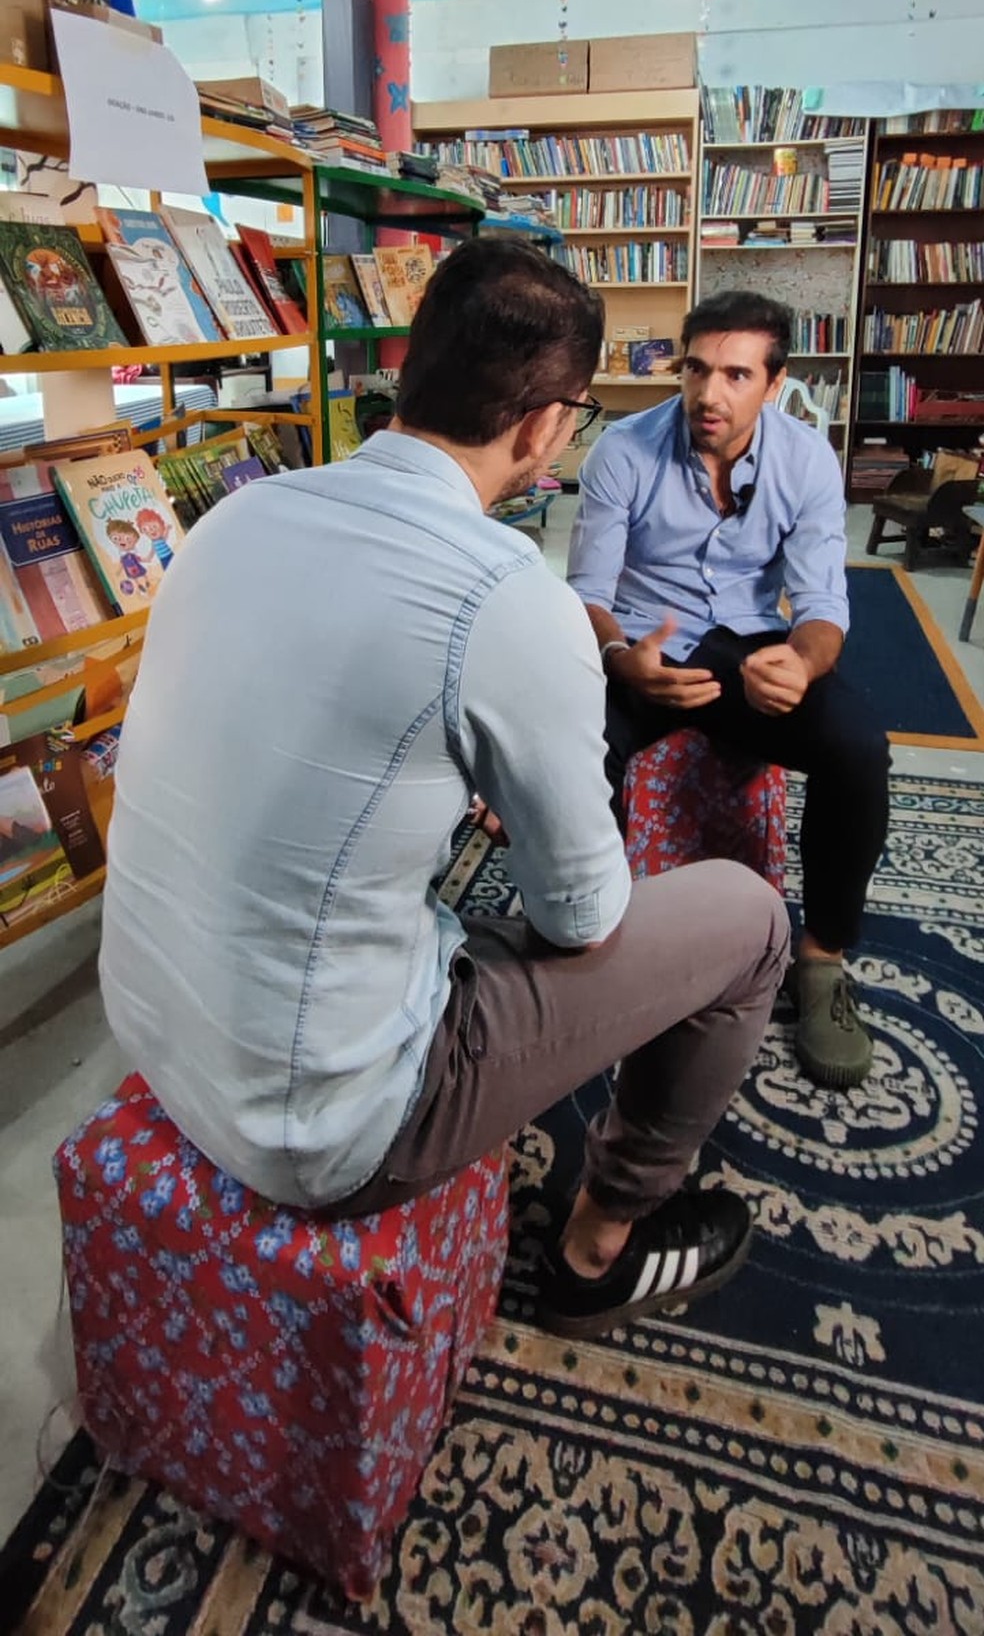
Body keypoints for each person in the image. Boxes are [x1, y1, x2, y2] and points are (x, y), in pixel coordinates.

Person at [100, 240, 788, 1339]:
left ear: (412, 368)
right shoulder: (511, 597)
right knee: (750, 922)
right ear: (547, 426)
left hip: (149, 1021)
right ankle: (603, 1247)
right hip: (319, 1125)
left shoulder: (235, 517)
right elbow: (582, 916)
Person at [567, 287, 890, 1092]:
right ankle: (593, 945)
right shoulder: (621, 451)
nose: (710, 393)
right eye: (698, 369)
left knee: (859, 748)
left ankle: (821, 961)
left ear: (774, 384)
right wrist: (618, 658)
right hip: (645, 644)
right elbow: (588, 594)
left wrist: (803, 664)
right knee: (573, 752)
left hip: (749, 644)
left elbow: (822, 604)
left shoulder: (807, 459)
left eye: (737, 375)